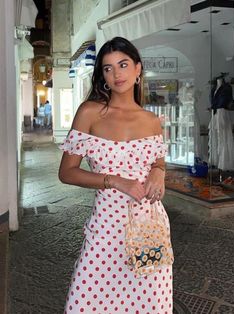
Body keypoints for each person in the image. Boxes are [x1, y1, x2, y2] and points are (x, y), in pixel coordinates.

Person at [59, 37, 173, 313]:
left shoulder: (151, 120)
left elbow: (158, 164)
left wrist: (159, 173)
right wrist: (113, 180)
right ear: (103, 75)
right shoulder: (90, 113)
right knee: (84, 303)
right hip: (106, 228)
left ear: (138, 69)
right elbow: (66, 172)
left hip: (149, 227)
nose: (116, 74)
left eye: (123, 65)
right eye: (108, 68)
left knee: (149, 304)